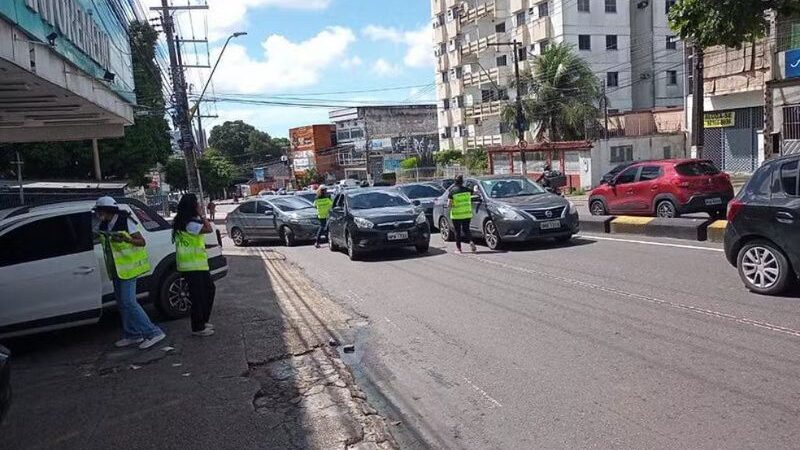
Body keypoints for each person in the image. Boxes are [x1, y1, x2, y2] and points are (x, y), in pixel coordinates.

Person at [94, 197, 166, 350]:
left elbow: (141, 241)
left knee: (129, 302)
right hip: (117, 269)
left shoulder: (125, 221)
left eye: (99, 211)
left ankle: (153, 332)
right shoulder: (104, 224)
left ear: (107, 210)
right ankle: (132, 334)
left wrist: (126, 239)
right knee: (122, 303)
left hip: (129, 268)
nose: (98, 214)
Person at [172, 194, 216, 337]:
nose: (199, 205)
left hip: (194, 265)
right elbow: (209, 229)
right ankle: (198, 326)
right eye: (196, 203)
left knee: (208, 291)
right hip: (193, 265)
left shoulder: (183, 221)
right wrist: (201, 215)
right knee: (199, 296)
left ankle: (202, 321)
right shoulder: (190, 224)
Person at [447, 175, 477, 253]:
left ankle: (459, 249)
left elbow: (449, 204)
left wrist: (451, 205)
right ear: (462, 182)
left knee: (457, 232)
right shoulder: (467, 190)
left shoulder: (452, 191)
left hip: (456, 215)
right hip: (467, 213)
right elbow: (475, 192)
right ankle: (471, 241)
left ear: (455, 182)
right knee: (466, 229)